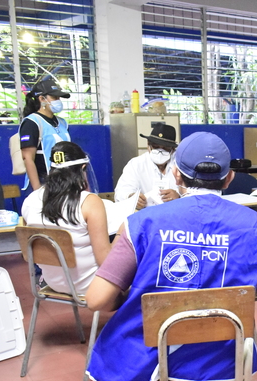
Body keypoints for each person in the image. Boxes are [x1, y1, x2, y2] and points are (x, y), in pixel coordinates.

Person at [85, 132, 257, 381]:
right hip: (225, 376)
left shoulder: (140, 223)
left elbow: (96, 300)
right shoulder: (254, 224)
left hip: (157, 379)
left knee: (144, 341)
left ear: (176, 175)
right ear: (229, 178)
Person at [21, 141, 110, 295]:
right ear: (82, 169)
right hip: (91, 286)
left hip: (53, 283)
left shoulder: (30, 201)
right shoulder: (88, 202)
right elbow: (106, 261)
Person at [114, 122, 181, 210]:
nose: (160, 152)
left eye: (165, 148)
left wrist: (179, 197)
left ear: (173, 150)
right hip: (145, 215)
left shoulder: (181, 165)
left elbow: (195, 194)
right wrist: (131, 198)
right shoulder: (136, 165)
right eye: (156, 147)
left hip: (174, 214)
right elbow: (121, 192)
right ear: (148, 145)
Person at [20, 79, 72, 192]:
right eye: (54, 97)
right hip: (43, 183)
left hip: (62, 182)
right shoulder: (32, 122)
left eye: (59, 98)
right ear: (42, 98)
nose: (58, 101)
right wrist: (37, 189)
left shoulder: (62, 123)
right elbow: (27, 158)